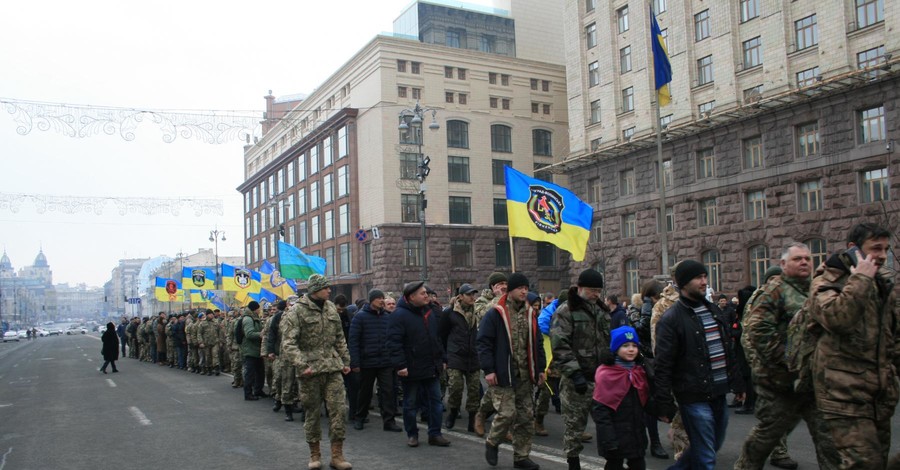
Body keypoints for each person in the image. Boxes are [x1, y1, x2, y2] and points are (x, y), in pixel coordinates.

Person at [808, 223, 898, 469]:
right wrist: (860, 279)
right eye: (875, 248)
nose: (881, 255)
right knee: (864, 464)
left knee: (878, 459)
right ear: (853, 249)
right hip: (843, 394)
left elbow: (892, 337)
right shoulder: (829, 278)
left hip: (878, 395)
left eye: (885, 249)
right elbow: (836, 319)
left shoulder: (882, 285)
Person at [735, 243, 822, 470]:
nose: (804, 262)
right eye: (797, 259)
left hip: (813, 381)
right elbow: (756, 331)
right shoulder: (773, 291)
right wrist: (787, 360)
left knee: (828, 439)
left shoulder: (817, 289)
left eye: (807, 258)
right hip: (780, 381)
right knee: (767, 436)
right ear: (783, 264)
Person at [653, 260, 745, 470]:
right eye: (698, 278)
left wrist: (738, 384)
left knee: (710, 446)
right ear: (684, 283)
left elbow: (726, 351)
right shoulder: (671, 318)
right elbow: (663, 364)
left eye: (705, 277)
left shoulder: (713, 310)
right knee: (706, 458)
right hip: (693, 396)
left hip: (719, 392)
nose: (704, 282)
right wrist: (664, 402)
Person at [280, 275, 353, 470]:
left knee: (338, 411)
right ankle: (315, 454)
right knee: (312, 413)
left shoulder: (330, 308)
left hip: (332, 368)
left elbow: (339, 337)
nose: (329, 291)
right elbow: (288, 343)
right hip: (310, 372)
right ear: (315, 290)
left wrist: (345, 360)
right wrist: (302, 365)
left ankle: (337, 456)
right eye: (326, 288)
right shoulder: (296, 311)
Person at [478, 272, 545, 470]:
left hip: (526, 374)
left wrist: (540, 369)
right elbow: (483, 343)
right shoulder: (495, 313)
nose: (524, 291)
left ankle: (521, 456)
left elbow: (538, 343)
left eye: (526, 288)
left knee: (525, 417)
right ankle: (492, 441)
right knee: (507, 413)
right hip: (502, 373)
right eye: (520, 288)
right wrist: (489, 369)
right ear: (512, 290)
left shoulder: (530, 313)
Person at [551, 268, 611, 470]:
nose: (596, 294)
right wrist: (575, 373)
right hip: (576, 379)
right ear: (580, 288)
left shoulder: (601, 310)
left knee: (607, 424)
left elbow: (607, 339)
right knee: (574, 426)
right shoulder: (566, 311)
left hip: (601, 378)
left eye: (598, 290)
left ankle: (612, 460)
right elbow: (560, 345)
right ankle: (573, 462)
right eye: (592, 290)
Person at [386, 281, 451, 448]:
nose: (426, 296)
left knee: (436, 402)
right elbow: (394, 343)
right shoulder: (398, 315)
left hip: (431, 366)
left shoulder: (430, 312)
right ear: (411, 297)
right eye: (422, 293)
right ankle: (412, 434)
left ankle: (435, 434)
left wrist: (443, 359)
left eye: (426, 293)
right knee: (410, 403)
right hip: (411, 368)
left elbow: (437, 339)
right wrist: (400, 366)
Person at [592, 326, 651, 470]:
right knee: (614, 465)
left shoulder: (640, 372)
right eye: (625, 346)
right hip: (614, 437)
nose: (631, 349)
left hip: (636, 434)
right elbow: (600, 411)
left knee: (638, 465)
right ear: (615, 348)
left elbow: (646, 402)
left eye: (634, 346)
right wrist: (609, 440)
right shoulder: (606, 374)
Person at [349, 289, 401, 432]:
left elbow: (393, 338)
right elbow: (353, 342)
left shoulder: (387, 317)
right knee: (365, 392)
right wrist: (355, 362)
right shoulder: (360, 317)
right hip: (367, 362)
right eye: (379, 298)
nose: (381, 300)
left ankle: (389, 421)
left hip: (385, 362)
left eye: (382, 298)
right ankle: (359, 418)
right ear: (372, 300)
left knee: (388, 392)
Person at [439, 283, 481, 432]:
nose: (472, 297)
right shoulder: (450, 313)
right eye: (469, 294)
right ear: (460, 296)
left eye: (473, 294)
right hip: (455, 355)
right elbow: (442, 335)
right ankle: (453, 412)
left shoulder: (478, 312)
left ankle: (472, 419)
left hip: (474, 356)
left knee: (474, 390)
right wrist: (444, 357)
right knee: (456, 388)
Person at [473, 272, 508, 437]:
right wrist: (499, 297)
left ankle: (505, 424)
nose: (503, 286)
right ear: (492, 287)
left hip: (508, 350)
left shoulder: (511, 300)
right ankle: (481, 415)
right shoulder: (481, 302)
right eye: (499, 284)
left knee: (508, 390)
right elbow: (484, 314)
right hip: (491, 351)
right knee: (496, 389)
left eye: (505, 283)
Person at [240, 301, 266, 401]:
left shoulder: (254, 317)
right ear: (255, 308)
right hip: (250, 350)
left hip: (256, 349)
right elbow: (249, 334)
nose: (260, 310)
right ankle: (248, 393)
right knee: (250, 374)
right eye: (259, 308)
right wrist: (260, 334)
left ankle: (258, 390)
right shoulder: (248, 319)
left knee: (260, 372)